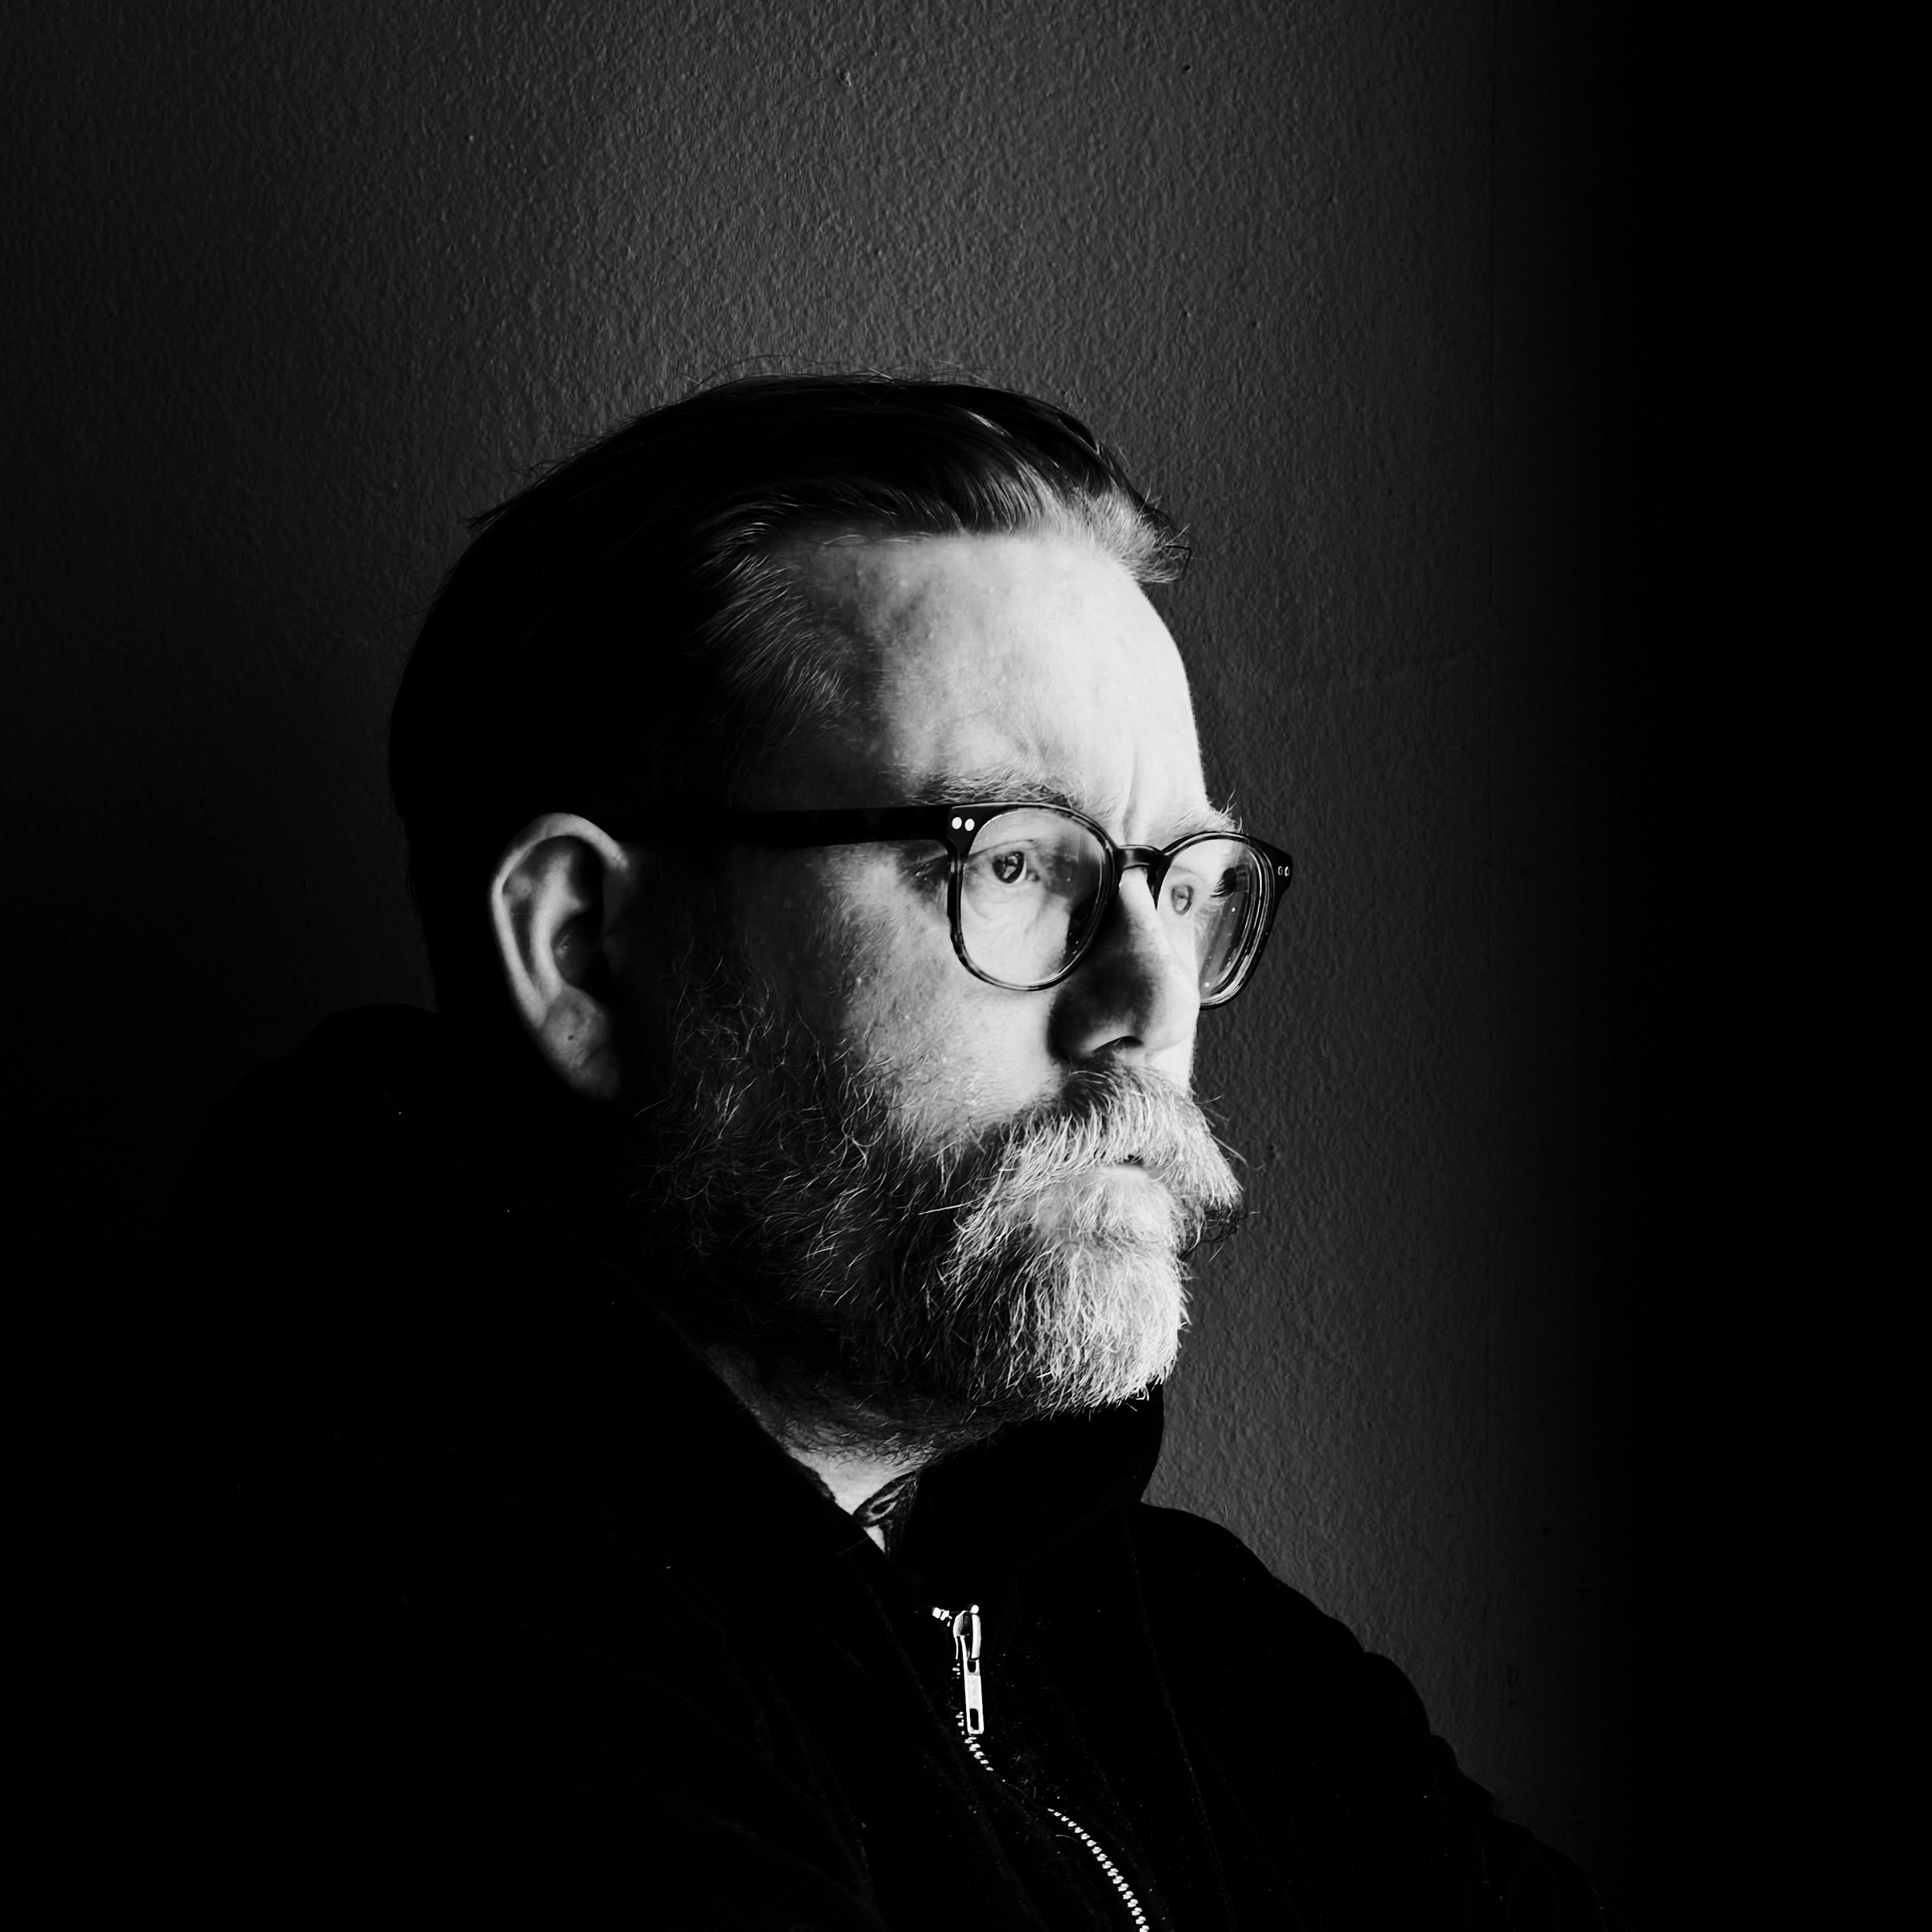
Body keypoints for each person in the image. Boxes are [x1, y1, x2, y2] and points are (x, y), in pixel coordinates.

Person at [25, 376, 1602, 1926]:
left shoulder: (1206, 1661)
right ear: (588, 955)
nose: (1150, 1001)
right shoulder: (339, 1632)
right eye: (1014, 861)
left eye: (1183, 881)